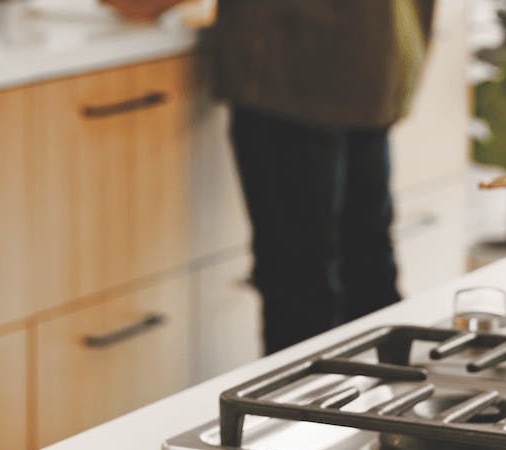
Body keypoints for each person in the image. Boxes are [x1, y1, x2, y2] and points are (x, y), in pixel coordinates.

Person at [103, 0, 435, 354]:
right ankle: (393, 398)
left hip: (298, 65)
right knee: (366, 265)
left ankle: (307, 407)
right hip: (375, 50)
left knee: (303, 287)